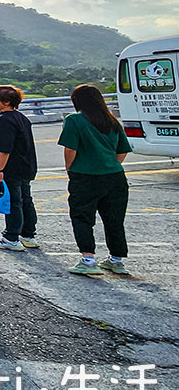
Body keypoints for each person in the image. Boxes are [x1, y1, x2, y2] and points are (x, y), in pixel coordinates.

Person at [59, 84, 133, 277]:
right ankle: (116, 260)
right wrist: (109, 164)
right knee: (114, 219)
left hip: (86, 177)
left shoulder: (74, 120)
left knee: (82, 217)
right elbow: (122, 150)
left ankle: (88, 259)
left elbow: (70, 150)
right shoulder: (112, 121)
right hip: (115, 177)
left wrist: (70, 169)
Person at [0, 85, 39, 253]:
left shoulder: (4, 121)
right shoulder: (21, 118)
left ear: (6, 101)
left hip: (11, 169)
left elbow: (3, 148)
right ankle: (28, 235)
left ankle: (11, 237)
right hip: (25, 166)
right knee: (26, 200)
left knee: (13, 202)